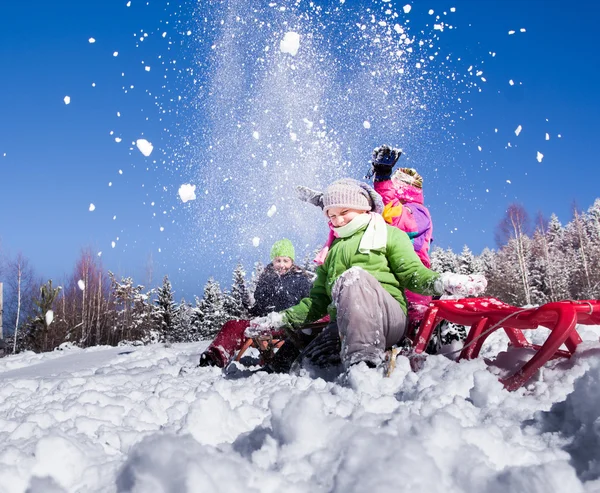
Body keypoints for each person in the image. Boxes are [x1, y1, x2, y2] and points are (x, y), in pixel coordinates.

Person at [248, 178, 486, 370]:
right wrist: (279, 318)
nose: (338, 219)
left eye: (344, 211)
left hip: (387, 318)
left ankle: (364, 364)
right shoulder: (331, 252)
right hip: (342, 324)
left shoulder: (388, 234)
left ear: (362, 207)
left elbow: (414, 274)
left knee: (354, 278)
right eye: (331, 215)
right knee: (308, 368)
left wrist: (443, 282)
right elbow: (317, 301)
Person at [198, 239, 312, 367]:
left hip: (289, 325)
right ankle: (214, 358)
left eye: (286, 261)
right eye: (278, 260)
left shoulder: (301, 280)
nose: (281, 265)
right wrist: (250, 305)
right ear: (272, 261)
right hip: (265, 324)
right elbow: (260, 307)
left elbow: (310, 304)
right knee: (232, 326)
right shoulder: (266, 278)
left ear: (292, 262)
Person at [369, 145, 434, 332]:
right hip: (386, 272)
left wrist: (383, 179)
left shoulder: (418, 211)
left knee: (411, 324)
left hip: (410, 277)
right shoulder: (385, 209)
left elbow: (399, 220)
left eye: (393, 183)